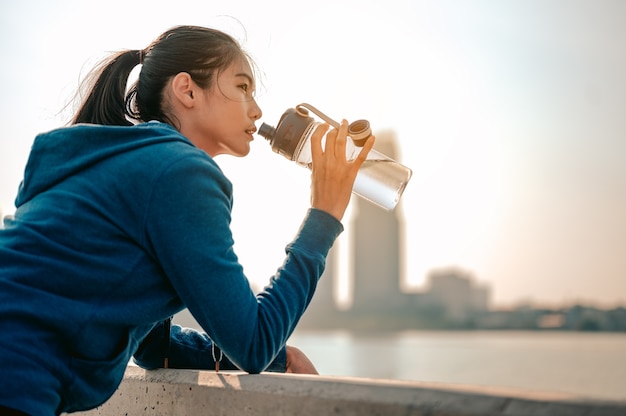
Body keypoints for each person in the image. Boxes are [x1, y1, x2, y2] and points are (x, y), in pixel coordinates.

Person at [0, 25, 374, 415]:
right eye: (242, 86)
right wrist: (324, 214)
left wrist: (279, 359)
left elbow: (149, 345)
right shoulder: (181, 171)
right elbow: (254, 344)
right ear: (188, 90)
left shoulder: (96, 160)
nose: (257, 109)